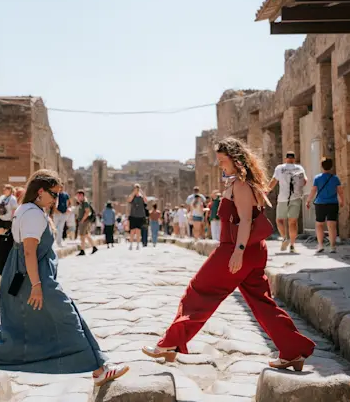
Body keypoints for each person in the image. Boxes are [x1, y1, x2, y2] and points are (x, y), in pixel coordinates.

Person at [142, 137, 315, 371]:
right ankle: (292, 351)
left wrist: (238, 252)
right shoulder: (243, 183)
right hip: (253, 250)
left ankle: (170, 343)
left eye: (223, 161)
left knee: (199, 292)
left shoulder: (242, 185)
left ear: (235, 160)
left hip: (235, 249)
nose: (221, 165)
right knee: (263, 304)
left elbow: (245, 220)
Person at [0, 170, 129, 390]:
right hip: (35, 280)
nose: (56, 200)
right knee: (67, 318)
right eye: (53, 194)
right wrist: (37, 287)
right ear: (40, 191)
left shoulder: (30, 210)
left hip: (32, 278)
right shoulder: (31, 214)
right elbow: (29, 252)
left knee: (17, 325)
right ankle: (99, 369)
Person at [268, 151, 307, 254]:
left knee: (279, 220)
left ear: (286, 158)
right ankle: (293, 246)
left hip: (283, 198)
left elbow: (273, 181)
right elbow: (304, 181)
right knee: (293, 222)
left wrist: (266, 191)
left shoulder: (279, 168)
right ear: (294, 158)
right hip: (296, 197)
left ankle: (285, 238)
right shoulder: (299, 168)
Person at [306, 157, 344, 254]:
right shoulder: (335, 178)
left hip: (320, 204)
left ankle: (320, 245)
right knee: (332, 225)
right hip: (333, 203)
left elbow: (313, 190)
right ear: (331, 167)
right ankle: (332, 246)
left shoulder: (317, 178)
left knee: (319, 224)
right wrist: (342, 201)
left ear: (322, 166)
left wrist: (308, 200)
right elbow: (340, 191)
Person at [0, 185, 18, 275]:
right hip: (1, 219)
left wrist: (13, 219)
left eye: (6, 189)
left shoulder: (12, 199)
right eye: (4, 189)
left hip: (8, 220)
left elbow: (14, 209)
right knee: (0, 234)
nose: (4, 190)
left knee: (7, 235)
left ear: (10, 190)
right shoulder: (2, 197)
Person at [76, 190, 97, 256]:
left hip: (84, 221)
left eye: (80, 196)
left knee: (82, 236)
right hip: (83, 221)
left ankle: (82, 250)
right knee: (86, 235)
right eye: (78, 196)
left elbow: (87, 212)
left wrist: (82, 220)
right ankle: (94, 247)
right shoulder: (81, 203)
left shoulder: (85, 203)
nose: (79, 197)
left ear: (83, 196)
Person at [127, 184, 147, 251]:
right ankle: (131, 244)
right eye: (135, 188)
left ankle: (138, 245)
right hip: (133, 215)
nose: (137, 190)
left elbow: (146, 200)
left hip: (140, 216)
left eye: (137, 188)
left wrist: (142, 192)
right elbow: (129, 200)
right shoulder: (132, 196)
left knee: (138, 231)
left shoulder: (141, 197)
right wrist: (134, 192)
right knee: (132, 231)